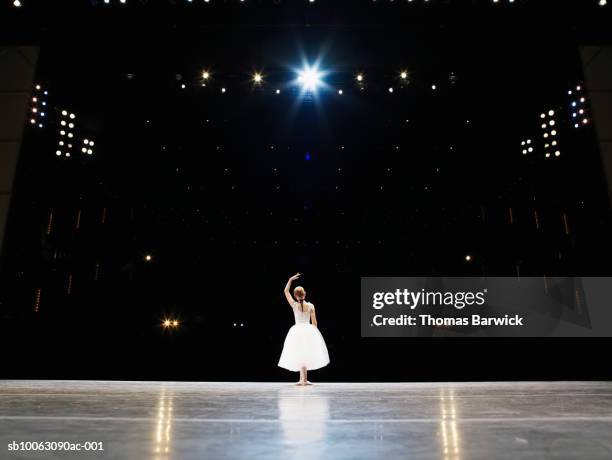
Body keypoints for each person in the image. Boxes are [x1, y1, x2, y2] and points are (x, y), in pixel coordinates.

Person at [278, 273, 330, 385]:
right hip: (308, 330)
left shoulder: (294, 305)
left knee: (300, 352)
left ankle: (303, 379)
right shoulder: (311, 306)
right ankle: (303, 379)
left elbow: (286, 291)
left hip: (297, 331)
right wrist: (314, 334)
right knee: (305, 352)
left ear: (295, 296)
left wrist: (290, 280)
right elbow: (315, 322)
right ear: (305, 294)